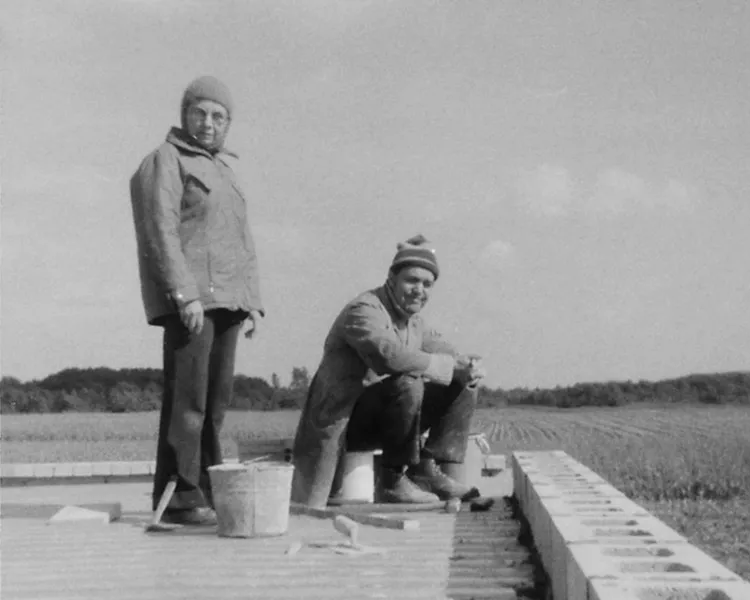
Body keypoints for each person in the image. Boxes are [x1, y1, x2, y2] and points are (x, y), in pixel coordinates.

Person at [129, 76, 264, 526]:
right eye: (199, 113)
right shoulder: (165, 159)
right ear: (184, 114)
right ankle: (181, 497)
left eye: (218, 116)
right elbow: (160, 230)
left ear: (228, 123)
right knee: (188, 403)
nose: (208, 123)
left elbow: (241, 240)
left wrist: (251, 301)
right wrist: (183, 295)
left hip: (229, 301)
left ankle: (207, 488)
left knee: (214, 403)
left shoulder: (224, 170)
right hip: (193, 303)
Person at [291, 235, 486, 508]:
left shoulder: (413, 322)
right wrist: (448, 366)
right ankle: (392, 481)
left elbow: (442, 350)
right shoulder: (364, 310)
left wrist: (467, 365)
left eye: (427, 284)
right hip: (344, 420)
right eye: (412, 280)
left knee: (463, 382)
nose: (419, 290)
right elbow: (389, 357)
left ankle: (427, 468)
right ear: (391, 279)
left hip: (381, 421)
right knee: (408, 382)